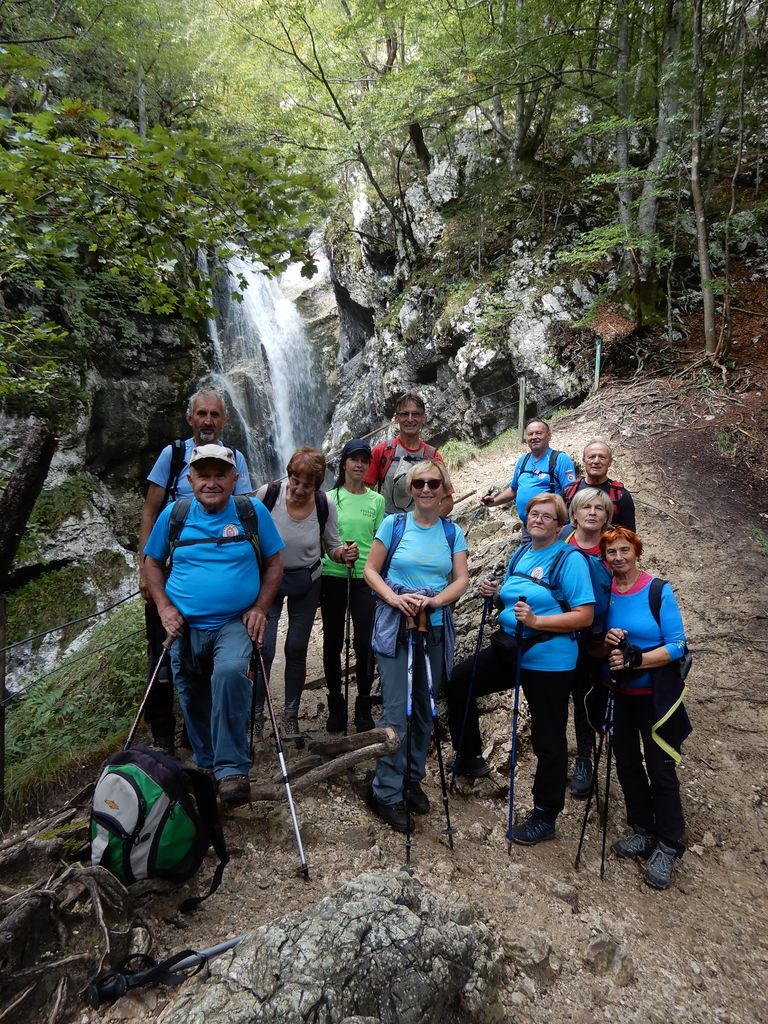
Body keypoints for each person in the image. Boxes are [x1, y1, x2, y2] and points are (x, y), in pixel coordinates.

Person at [143, 444, 284, 809]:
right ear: (190, 480)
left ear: (234, 479)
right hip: (184, 624)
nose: (212, 482)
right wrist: (164, 607)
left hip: (234, 621)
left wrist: (260, 607)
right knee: (191, 692)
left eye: (220, 475)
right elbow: (152, 562)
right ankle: (207, 764)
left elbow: (274, 562)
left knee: (230, 674)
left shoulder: (251, 512)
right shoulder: (175, 515)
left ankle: (232, 769)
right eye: (203, 475)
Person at [449, 493, 594, 844]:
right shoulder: (521, 553)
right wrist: (496, 594)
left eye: (547, 516)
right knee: (459, 682)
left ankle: (545, 815)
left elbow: (585, 615)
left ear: (560, 526)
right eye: (533, 514)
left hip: (550, 661)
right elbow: (516, 599)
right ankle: (469, 756)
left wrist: (538, 621)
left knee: (548, 737)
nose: (538, 519)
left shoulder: (569, 559)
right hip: (512, 650)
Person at [137, 387, 253, 754]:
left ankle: (197, 737)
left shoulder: (234, 459)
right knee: (163, 652)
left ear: (224, 420)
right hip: (172, 562)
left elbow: (247, 511)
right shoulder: (173, 456)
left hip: (219, 558)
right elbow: (150, 511)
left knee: (204, 660)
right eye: (201, 413)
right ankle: (162, 734)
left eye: (214, 414)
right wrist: (144, 568)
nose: (207, 420)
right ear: (190, 418)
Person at [364, 460, 468, 833]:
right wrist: (395, 598)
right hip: (396, 629)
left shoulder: (452, 532)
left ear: (444, 490)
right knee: (397, 711)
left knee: (425, 709)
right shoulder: (393, 525)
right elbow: (370, 570)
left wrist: (435, 601)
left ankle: (411, 778)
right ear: (410, 489)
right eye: (419, 483)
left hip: (434, 628)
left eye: (433, 483)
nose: (426, 489)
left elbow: (461, 579)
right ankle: (386, 791)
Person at [593, 526, 691, 890]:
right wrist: (607, 643)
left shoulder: (657, 590)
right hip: (618, 694)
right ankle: (643, 829)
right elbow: (597, 648)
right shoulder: (606, 594)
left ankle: (668, 843)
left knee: (660, 766)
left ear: (637, 552)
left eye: (624, 550)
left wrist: (638, 660)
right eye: (611, 552)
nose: (618, 557)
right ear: (605, 558)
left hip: (655, 697)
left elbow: (677, 645)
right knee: (627, 764)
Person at [255, 447, 352, 741]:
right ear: (288, 475)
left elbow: (332, 545)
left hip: (307, 581)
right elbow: (248, 534)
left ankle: (290, 717)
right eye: (295, 481)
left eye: (306, 485)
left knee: (296, 648)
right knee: (263, 648)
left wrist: (343, 554)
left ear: (317, 486)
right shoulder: (267, 495)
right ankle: (255, 717)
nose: (298, 489)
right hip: (268, 580)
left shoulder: (324, 504)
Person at [321, 439, 385, 733]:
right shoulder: (328, 498)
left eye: (364, 460)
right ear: (344, 463)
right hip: (333, 574)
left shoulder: (377, 501)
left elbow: (379, 539)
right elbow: (322, 538)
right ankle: (336, 702)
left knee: (364, 642)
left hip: (365, 578)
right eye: (353, 459)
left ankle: (363, 703)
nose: (359, 464)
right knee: (333, 641)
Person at [559, 487, 615, 797]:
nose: (592, 512)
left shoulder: (613, 547)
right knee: (556, 695)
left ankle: (584, 759)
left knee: (585, 698)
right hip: (560, 630)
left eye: (599, 508)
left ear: (607, 516)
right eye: (586, 507)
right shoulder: (562, 539)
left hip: (595, 638)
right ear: (574, 513)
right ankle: (554, 758)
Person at [480, 419, 576, 538]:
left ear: (549, 435)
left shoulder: (560, 459)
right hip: (528, 527)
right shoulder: (523, 460)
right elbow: (513, 490)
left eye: (539, 433)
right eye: (530, 434)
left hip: (551, 529)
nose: (534, 437)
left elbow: (571, 494)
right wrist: (493, 501)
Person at [364, 392, 454, 516]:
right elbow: (363, 493)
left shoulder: (433, 456)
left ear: (424, 418)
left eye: (415, 414)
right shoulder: (382, 451)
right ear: (397, 418)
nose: (410, 419)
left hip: (420, 524)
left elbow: (447, 501)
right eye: (404, 414)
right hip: (387, 524)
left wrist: (425, 522)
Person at [562, 440, 636, 531]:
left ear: (610, 462)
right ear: (584, 461)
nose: (596, 461)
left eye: (602, 457)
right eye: (591, 457)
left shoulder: (621, 495)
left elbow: (629, 534)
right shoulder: (568, 491)